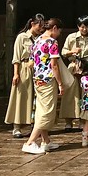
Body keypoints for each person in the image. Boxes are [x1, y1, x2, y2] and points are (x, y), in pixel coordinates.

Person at [22, 18, 66, 154]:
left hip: (37, 79)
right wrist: (60, 83)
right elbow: (54, 65)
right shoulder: (52, 42)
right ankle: (30, 142)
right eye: (59, 31)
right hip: (48, 80)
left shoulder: (37, 40)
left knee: (41, 109)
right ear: (54, 28)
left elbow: (31, 62)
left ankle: (46, 141)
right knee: (47, 112)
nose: (59, 33)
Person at [4, 13, 45, 138]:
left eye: (43, 27)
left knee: (35, 98)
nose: (41, 29)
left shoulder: (40, 38)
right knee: (20, 97)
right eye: (40, 26)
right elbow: (16, 57)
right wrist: (16, 73)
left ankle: (33, 126)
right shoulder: (22, 37)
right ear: (32, 24)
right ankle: (16, 127)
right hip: (24, 68)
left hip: (36, 70)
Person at [60, 15, 88, 134]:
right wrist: (73, 52)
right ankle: (68, 121)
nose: (84, 29)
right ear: (78, 27)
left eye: (86, 27)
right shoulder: (71, 37)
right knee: (70, 94)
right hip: (73, 66)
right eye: (82, 27)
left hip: (86, 68)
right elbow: (63, 52)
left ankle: (82, 120)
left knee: (84, 95)